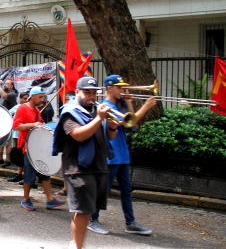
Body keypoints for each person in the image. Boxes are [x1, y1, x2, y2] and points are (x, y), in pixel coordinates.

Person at [52, 76, 118, 249]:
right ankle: (77, 246)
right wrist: (99, 119)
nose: (91, 96)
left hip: (98, 166)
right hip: (78, 168)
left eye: (94, 93)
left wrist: (112, 125)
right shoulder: (69, 112)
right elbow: (79, 135)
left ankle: (75, 244)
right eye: (86, 92)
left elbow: (111, 137)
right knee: (83, 211)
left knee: (87, 211)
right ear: (77, 92)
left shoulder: (95, 110)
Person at [88, 75, 157, 236]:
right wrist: (145, 107)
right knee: (103, 190)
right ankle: (92, 219)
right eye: (119, 87)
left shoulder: (119, 104)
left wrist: (129, 103)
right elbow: (127, 122)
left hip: (122, 154)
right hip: (111, 154)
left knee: (126, 190)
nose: (123, 90)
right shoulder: (106, 105)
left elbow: (131, 123)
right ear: (110, 88)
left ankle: (130, 223)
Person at [13, 86, 65, 211]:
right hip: (28, 148)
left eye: (43, 97)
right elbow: (15, 126)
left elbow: (39, 126)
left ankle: (50, 199)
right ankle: (25, 199)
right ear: (33, 96)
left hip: (38, 147)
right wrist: (33, 124)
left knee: (44, 174)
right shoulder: (22, 108)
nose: (42, 100)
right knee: (29, 176)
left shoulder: (36, 110)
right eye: (40, 97)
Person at [0, 79, 18, 166]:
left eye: (7, 84)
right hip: (0, 121)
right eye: (5, 83)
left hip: (7, 121)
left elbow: (4, 96)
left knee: (8, 141)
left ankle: (8, 160)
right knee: (0, 140)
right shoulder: (3, 95)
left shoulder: (12, 94)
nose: (5, 85)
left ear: (12, 86)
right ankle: (0, 158)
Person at [6, 91, 29, 183]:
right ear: (20, 99)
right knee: (19, 154)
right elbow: (8, 113)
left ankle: (25, 175)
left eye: (27, 98)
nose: (26, 100)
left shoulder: (31, 108)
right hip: (17, 135)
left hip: (26, 136)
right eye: (24, 98)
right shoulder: (17, 107)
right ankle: (19, 174)